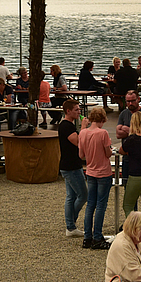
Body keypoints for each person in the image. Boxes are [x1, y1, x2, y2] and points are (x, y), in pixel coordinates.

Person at [116, 91, 141, 232]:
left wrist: (125, 131)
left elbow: (121, 150)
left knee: (128, 204)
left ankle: (134, 229)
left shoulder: (132, 139)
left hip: (137, 174)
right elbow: (118, 133)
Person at [78, 107, 112, 250]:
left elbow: (81, 155)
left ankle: (87, 236)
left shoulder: (83, 133)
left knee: (90, 204)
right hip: (103, 171)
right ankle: (97, 236)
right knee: (101, 205)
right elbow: (108, 153)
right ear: (102, 119)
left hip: (90, 171)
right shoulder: (103, 133)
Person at [58, 99, 87, 238]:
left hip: (72, 164)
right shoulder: (66, 126)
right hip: (71, 166)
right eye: (76, 110)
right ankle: (70, 223)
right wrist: (83, 128)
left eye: (79, 109)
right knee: (83, 194)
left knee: (72, 196)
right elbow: (78, 142)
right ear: (68, 111)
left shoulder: (68, 125)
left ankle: (70, 225)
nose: (79, 112)